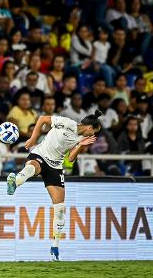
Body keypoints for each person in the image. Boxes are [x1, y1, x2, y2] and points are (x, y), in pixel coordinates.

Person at [6, 111, 102, 260]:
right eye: (94, 132)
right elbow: (43, 119)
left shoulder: (81, 138)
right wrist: (33, 138)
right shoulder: (66, 122)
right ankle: (16, 181)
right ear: (90, 127)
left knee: (60, 209)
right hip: (40, 155)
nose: (93, 136)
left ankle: (55, 248)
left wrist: (80, 146)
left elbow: (70, 158)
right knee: (33, 168)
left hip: (56, 167)